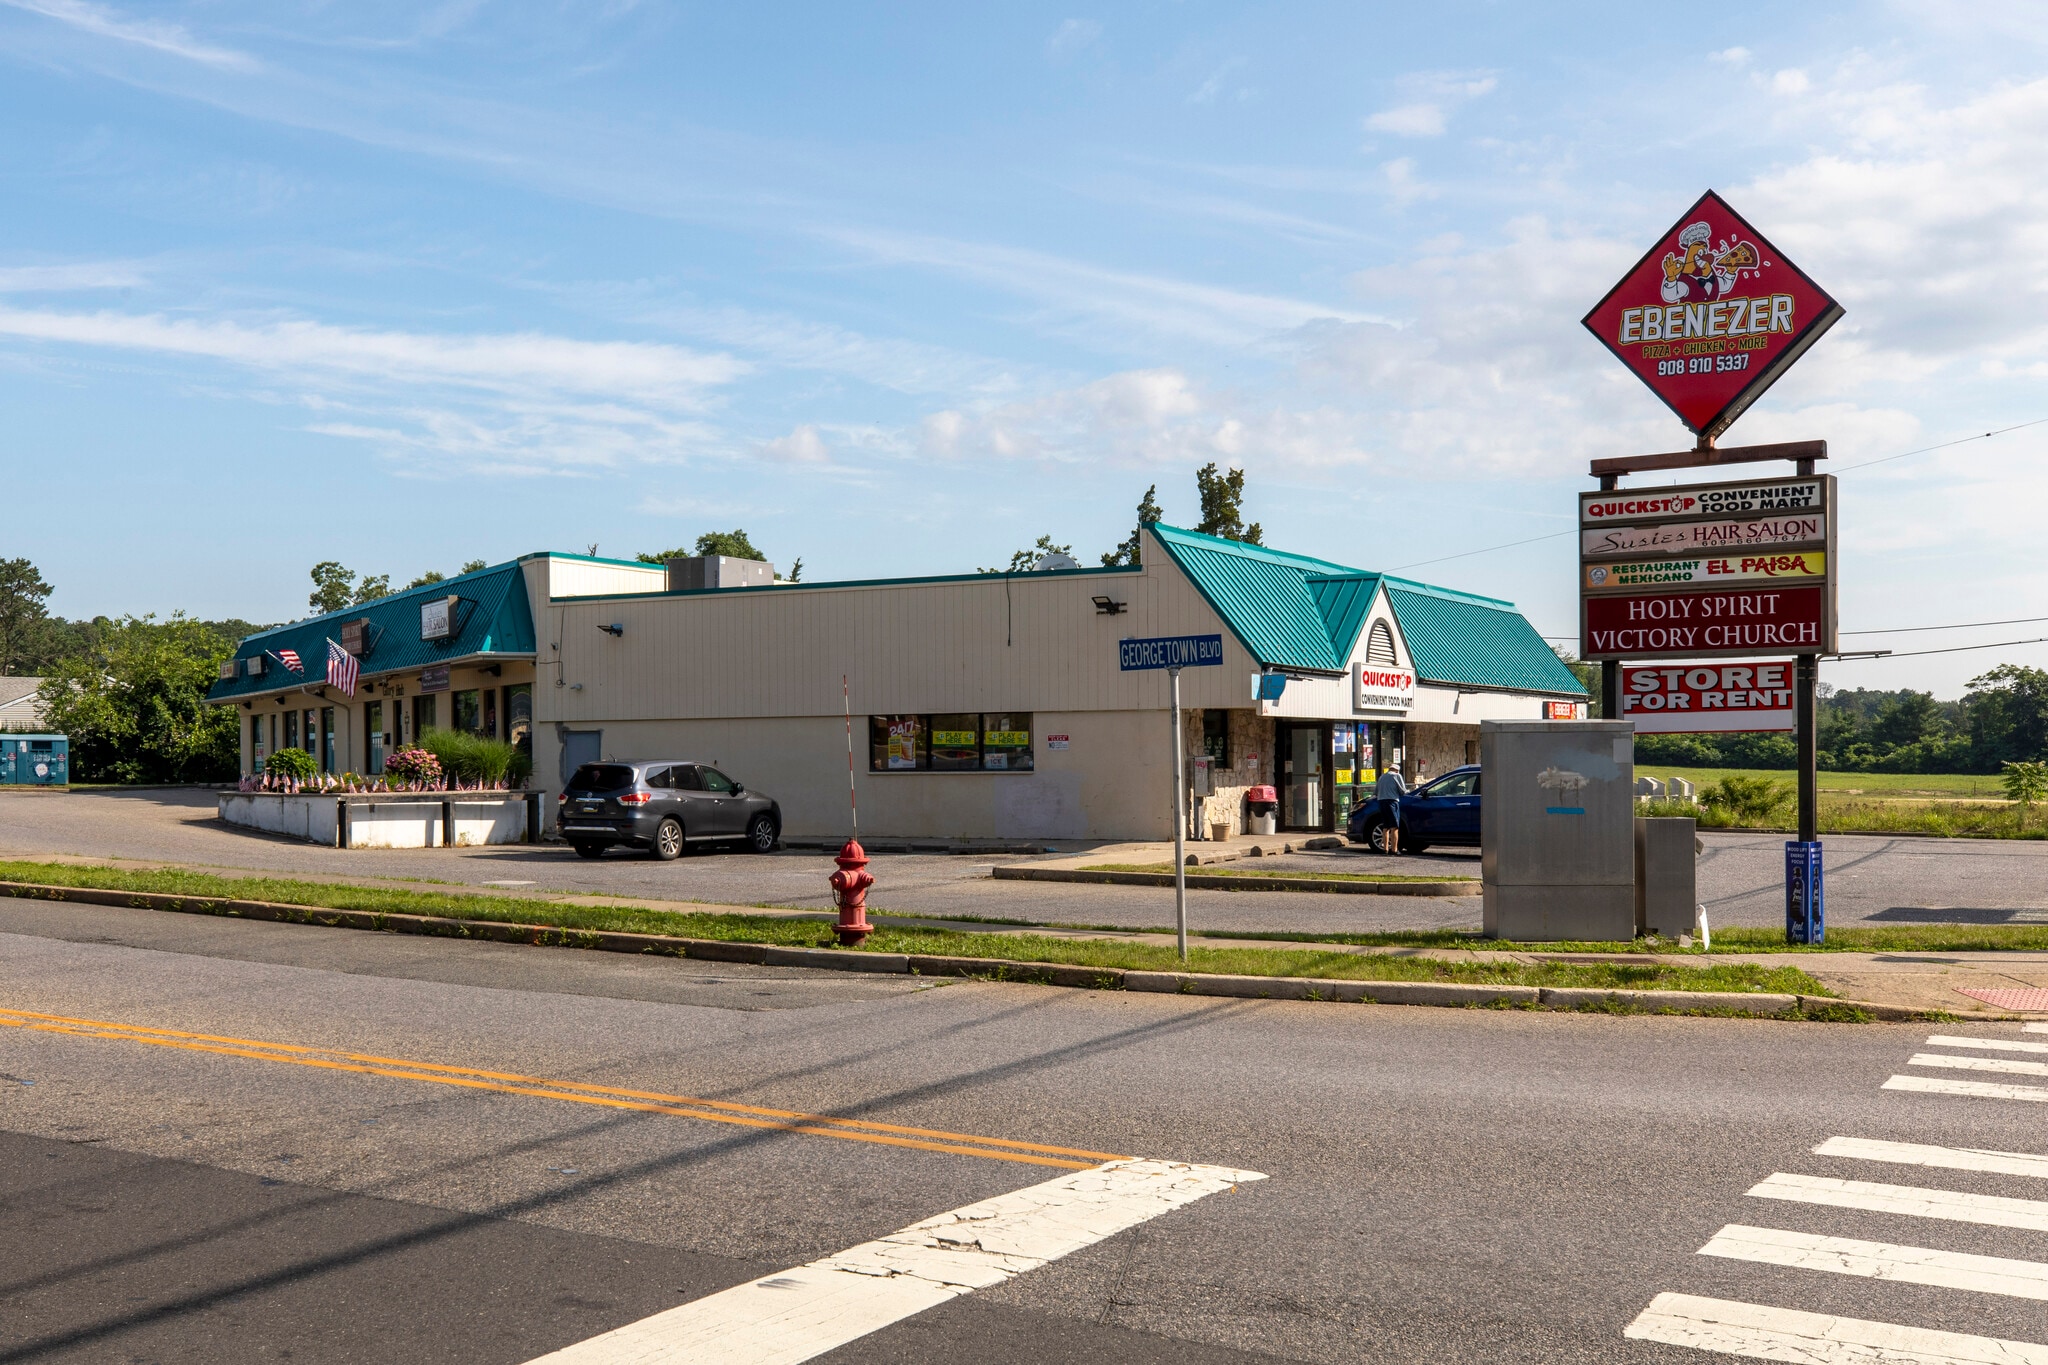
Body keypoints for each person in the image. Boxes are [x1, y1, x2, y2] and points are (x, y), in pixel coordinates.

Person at [1374, 765, 1409, 854]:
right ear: (1397, 770)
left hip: (1381, 802)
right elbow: (1402, 791)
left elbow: (1376, 792)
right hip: (1392, 802)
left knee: (1386, 826)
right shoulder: (1397, 776)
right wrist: (1408, 791)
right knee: (1395, 826)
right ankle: (1394, 849)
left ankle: (1385, 849)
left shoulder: (1381, 777)